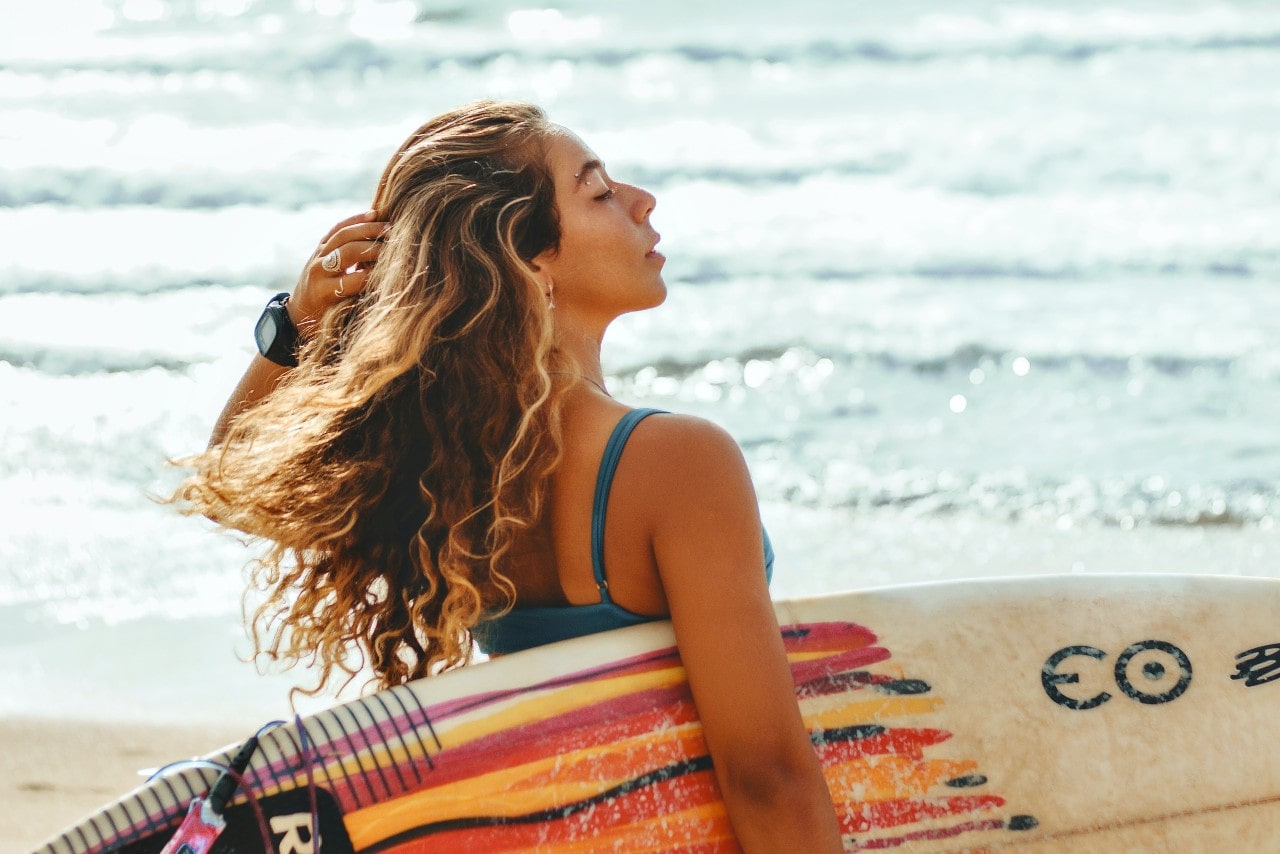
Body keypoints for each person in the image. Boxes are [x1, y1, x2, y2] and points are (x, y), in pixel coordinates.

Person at [178, 100, 842, 851]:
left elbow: (232, 479)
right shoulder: (678, 462)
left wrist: (293, 324)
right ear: (531, 261)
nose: (641, 201)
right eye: (597, 193)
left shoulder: (460, 468)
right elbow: (766, 776)